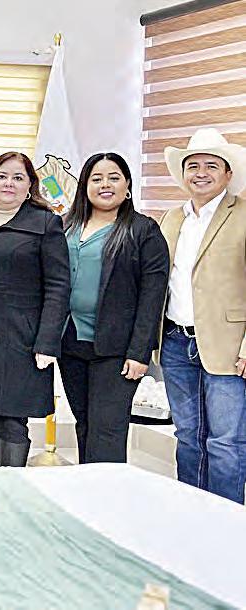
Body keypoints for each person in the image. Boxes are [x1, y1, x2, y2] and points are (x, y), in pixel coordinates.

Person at [0, 152, 70, 467]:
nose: (9, 183)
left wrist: (48, 342)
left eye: (18, 177)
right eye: (2, 176)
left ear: (30, 185)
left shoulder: (45, 223)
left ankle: (11, 485)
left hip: (21, 334)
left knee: (11, 416)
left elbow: (58, 286)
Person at [60, 152, 168, 464]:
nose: (105, 184)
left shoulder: (143, 230)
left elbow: (153, 296)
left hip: (117, 350)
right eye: (96, 179)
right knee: (84, 424)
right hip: (71, 342)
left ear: (128, 185)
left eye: (114, 178)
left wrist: (139, 352)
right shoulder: (66, 225)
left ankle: (108, 492)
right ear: (85, 186)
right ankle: (88, 487)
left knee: (107, 430)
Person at [158, 128, 246, 503]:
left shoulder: (242, 215)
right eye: (193, 166)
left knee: (226, 441)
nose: (201, 173)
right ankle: (191, 513)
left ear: (228, 174)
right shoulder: (171, 218)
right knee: (187, 436)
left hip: (228, 348)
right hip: (176, 343)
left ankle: (226, 520)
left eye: (212, 165)